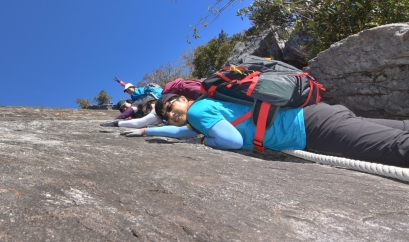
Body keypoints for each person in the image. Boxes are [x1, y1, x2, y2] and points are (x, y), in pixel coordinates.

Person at [126, 93, 409, 167]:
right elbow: (186, 133)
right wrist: (147, 133)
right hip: (315, 117)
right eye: (164, 115)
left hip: (312, 127)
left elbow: (232, 140)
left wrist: (206, 144)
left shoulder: (199, 111)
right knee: (401, 132)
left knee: (397, 149)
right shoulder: (199, 116)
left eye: (171, 105)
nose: (170, 113)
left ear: (184, 100)